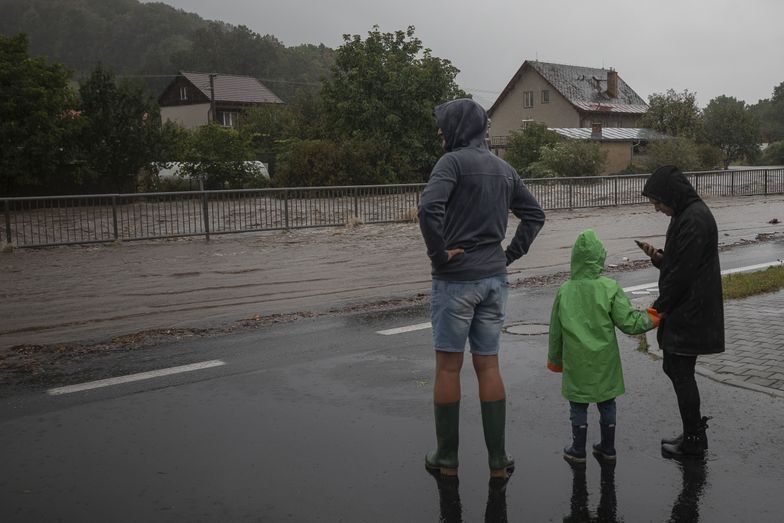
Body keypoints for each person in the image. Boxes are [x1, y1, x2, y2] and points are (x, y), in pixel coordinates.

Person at [418, 98, 545, 479]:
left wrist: (440, 255)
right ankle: (498, 460)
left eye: (443, 124)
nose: (440, 131)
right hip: (494, 281)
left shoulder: (451, 163)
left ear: (458, 127)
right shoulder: (505, 169)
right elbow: (535, 216)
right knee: (488, 364)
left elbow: (428, 210)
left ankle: (447, 458)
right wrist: (507, 256)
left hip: (456, 281)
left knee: (448, 368)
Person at [547, 229, 659, 464]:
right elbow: (629, 323)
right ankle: (608, 447)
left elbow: (556, 332)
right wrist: (654, 317)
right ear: (599, 258)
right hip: (604, 360)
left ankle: (578, 449)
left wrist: (555, 361)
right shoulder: (609, 287)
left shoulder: (564, 291)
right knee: (607, 401)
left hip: (576, 361)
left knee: (578, 404)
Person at [637, 165, 724, 459]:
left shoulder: (694, 219)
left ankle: (694, 441)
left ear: (671, 195)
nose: (657, 207)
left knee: (680, 371)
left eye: (658, 201)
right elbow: (680, 264)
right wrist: (660, 257)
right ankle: (692, 433)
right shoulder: (685, 215)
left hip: (692, 310)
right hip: (689, 307)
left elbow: (683, 275)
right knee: (676, 369)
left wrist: (655, 310)